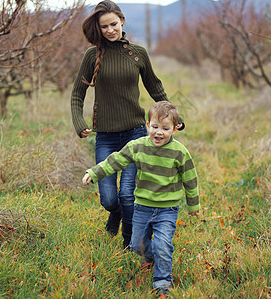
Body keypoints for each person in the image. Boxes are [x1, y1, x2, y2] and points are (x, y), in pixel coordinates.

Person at [71, 0, 184, 248]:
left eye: (113, 24)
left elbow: (155, 87)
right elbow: (77, 94)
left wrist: (176, 118)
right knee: (110, 199)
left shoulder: (138, 54)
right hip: (106, 137)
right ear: (98, 29)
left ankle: (129, 244)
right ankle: (116, 214)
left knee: (128, 195)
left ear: (122, 21)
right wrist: (79, 122)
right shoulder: (92, 56)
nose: (110, 30)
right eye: (104, 27)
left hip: (134, 134)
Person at [82, 101, 200, 295]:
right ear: (147, 126)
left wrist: (193, 205)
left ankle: (162, 282)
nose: (159, 132)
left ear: (174, 129)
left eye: (165, 128)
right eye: (155, 127)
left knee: (162, 245)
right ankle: (155, 257)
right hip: (142, 207)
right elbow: (116, 160)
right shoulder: (138, 146)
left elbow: (190, 179)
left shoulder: (180, 152)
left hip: (167, 209)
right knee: (137, 246)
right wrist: (94, 173)